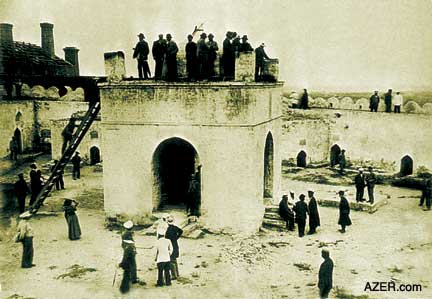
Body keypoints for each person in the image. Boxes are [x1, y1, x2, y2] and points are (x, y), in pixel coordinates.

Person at [165, 215, 183, 280]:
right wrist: (177, 237)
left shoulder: (167, 230)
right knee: (174, 260)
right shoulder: (175, 228)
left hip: (170, 245)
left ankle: (173, 275)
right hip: (175, 245)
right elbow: (181, 231)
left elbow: (166, 238)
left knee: (171, 261)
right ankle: (177, 273)